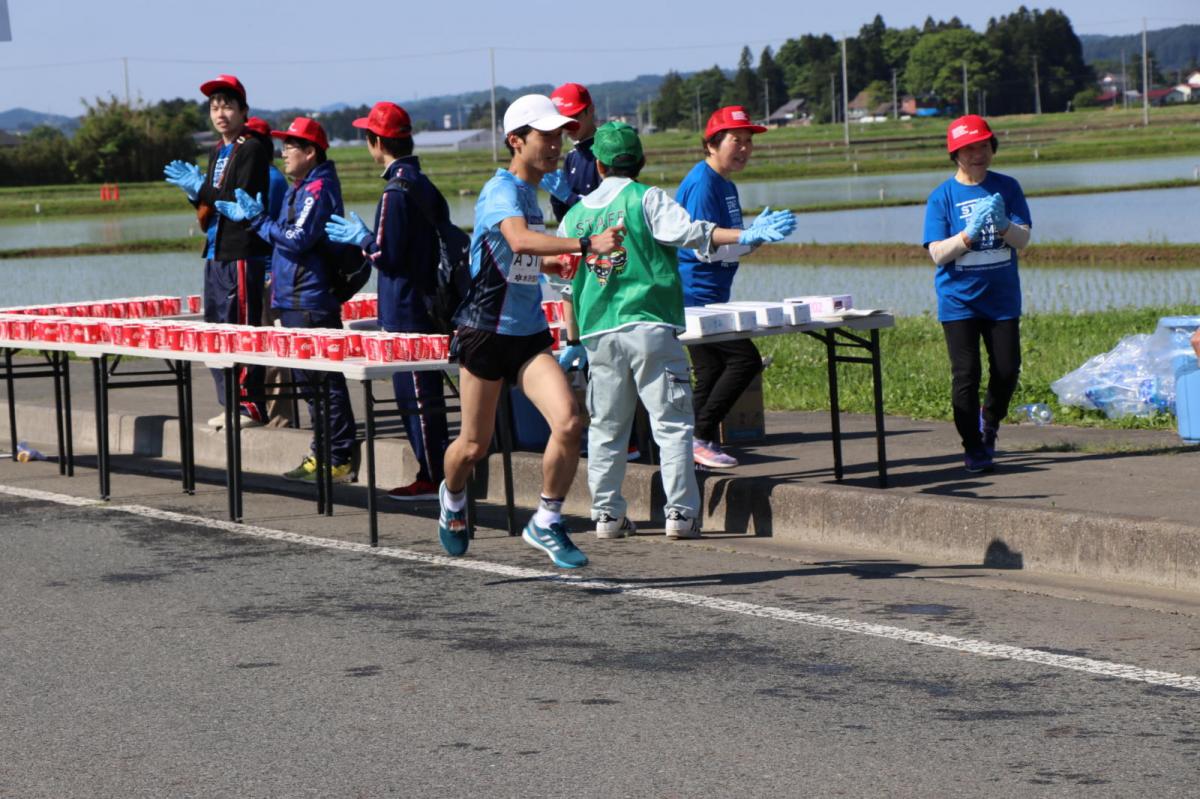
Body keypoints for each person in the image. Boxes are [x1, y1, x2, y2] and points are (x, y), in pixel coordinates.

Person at [556, 122, 794, 540]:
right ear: (642, 161)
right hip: (650, 327)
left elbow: (562, 282)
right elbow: (693, 233)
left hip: (598, 334)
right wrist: (748, 233)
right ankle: (680, 516)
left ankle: (607, 516)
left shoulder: (575, 216)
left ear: (598, 164)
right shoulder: (646, 198)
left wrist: (572, 340)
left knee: (607, 429)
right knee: (671, 426)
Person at [436, 94, 624, 568]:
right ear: (516, 141)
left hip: (527, 335)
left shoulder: (529, 194)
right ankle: (453, 497)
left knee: (569, 421)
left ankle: (546, 519)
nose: (555, 144)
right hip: (483, 332)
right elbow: (517, 237)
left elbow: (515, 254)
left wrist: (552, 262)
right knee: (474, 446)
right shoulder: (501, 189)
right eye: (545, 135)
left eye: (560, 135)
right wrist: (583, 244)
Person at [214, 117, 357, 483]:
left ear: (310, 152)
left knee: (325, 384)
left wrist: (259, 219)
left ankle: (338, 457)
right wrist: (252, 221)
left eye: (291, 146)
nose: (284, 152)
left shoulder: (318, 188)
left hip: (310, 300)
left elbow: (296, 238)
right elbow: (282, 237)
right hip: (292, 298)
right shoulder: (301, 186)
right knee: (310, 386)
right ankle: (320, 453)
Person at [325, 101, 449, 502]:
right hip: (427, 304)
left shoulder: (395, 191)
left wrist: (361, 239)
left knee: (415, 398)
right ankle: (433, 472)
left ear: (376, 141)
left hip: (406, 310)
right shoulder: (423, 183)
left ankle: (433, 477)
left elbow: (386, 256)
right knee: (424, 396)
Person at [676, 106, 792, 470]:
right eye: (734, 140)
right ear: (711, 143)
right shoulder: (702, 183)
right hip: (695, 295)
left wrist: (755, 237)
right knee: (745, 360)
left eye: (748, 141)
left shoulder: (725, 183)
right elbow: (700, 245)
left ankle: (692, 443)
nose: (743, 148)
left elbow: (728, 244)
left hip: (712, 295)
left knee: (711, 370)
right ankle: (699, 437)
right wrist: (750, 236)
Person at [922, 114, 1032, 473]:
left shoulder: (1009, 187)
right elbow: (937, 253)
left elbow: (1024, 239)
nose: (978, 154)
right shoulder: (942, 197)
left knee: (1006, 369)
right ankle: (973, 446)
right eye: (969, 149)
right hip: (959, 301)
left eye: (983, 146)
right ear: (955, 153)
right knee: (965, 376)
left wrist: (1003, 225)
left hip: (1001, 299)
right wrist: (968, 236)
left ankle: (991, 420)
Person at [163, 74, 271, 429]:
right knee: (216, 327)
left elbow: (237, 198)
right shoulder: (217, 150)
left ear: (243, 111)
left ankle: (250, 405)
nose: (220, 112)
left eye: (227, 105)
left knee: (242, 325)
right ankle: (229, 402)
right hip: (216, 249)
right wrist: (195, 192)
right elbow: (211, 202)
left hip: (242, 250)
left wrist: (204, 189)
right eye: (214, 106)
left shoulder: (251, 148)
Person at [244, 116, 295, 429]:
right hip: (254, 271)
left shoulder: (269, 179)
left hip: (266, 273)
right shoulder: (261, 175)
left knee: (272, 349)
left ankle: (280, 419)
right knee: (259, 346)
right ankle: (261, 410)